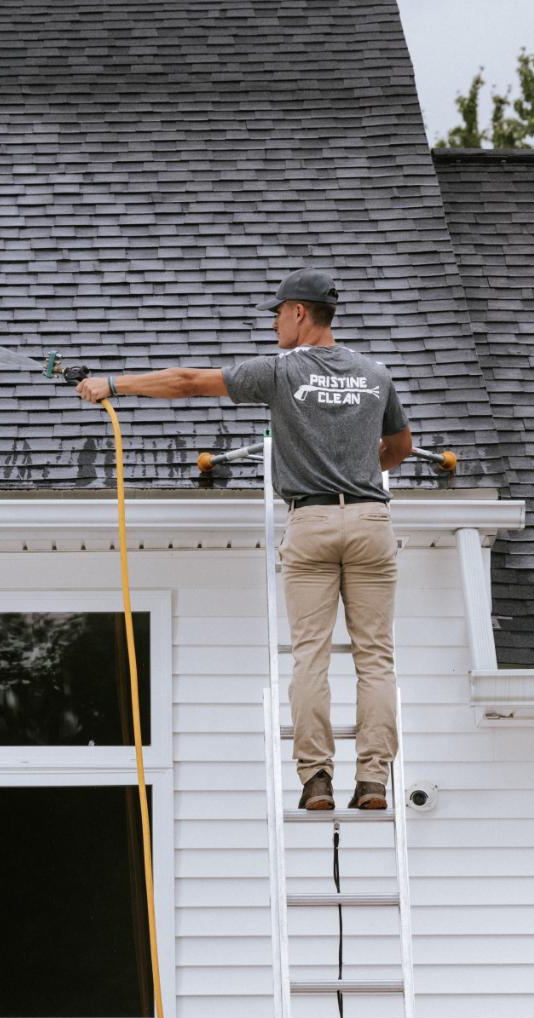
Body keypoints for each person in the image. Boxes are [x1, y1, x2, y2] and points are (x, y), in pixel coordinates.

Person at [75, 268, 413, 811]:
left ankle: (317, 780)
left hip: (311, 525)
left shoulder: (281, 373)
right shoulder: (376, 375)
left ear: (299, 313)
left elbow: (188, 382)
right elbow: (399, 445)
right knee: (376, 659)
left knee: (311, 657)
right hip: (372, 521)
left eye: (278, 313)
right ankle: (373, 781)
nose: (275, 323)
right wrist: (358, 469)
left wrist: (111, 385)